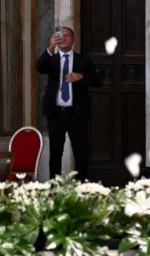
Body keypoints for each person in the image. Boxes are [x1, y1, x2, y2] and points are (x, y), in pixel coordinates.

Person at [36, 26, 101, 181]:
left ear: (73, 39)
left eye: (67, 36)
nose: (63, 39)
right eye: (60, 36)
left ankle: (82, 188)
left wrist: (81, 76)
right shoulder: (51, 59)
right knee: (55, 154)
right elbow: (39, 67)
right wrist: (50, 47)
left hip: (76, 113)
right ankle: (54, 188)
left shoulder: (83, 59)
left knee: (80, 153)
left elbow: (97, 80)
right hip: (56, 113)